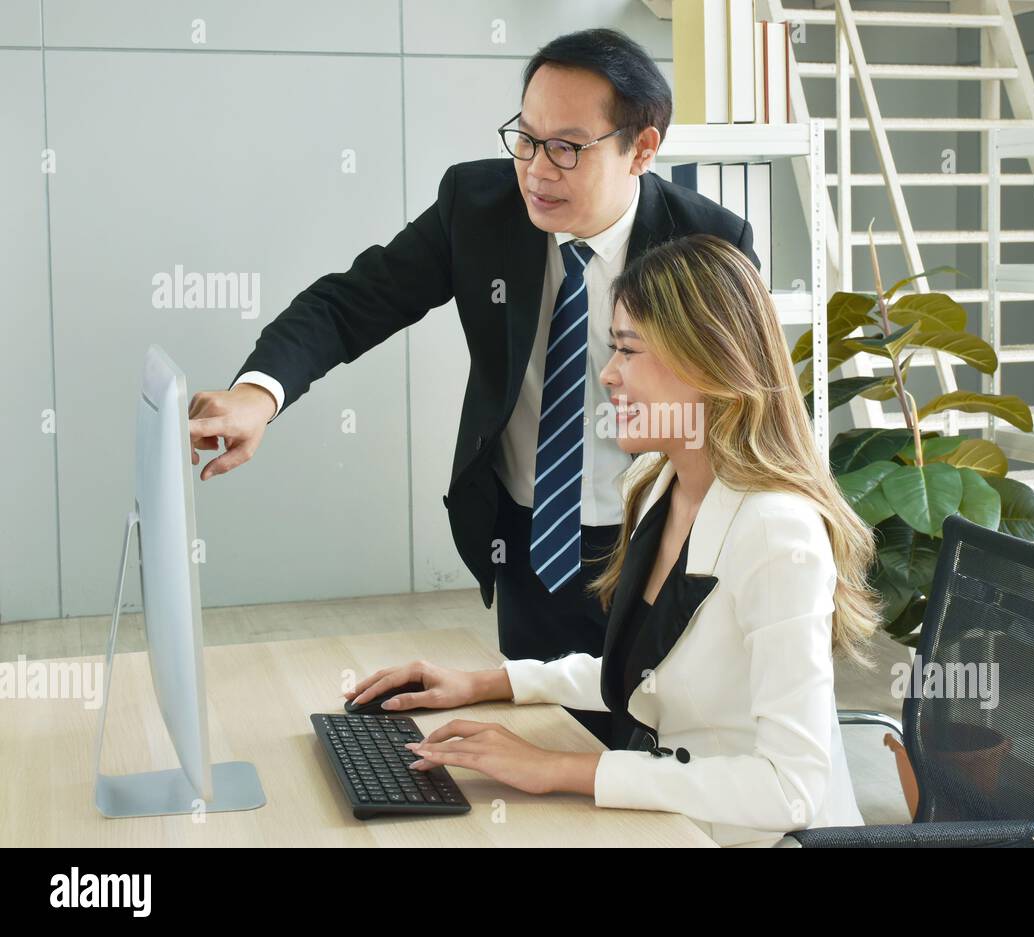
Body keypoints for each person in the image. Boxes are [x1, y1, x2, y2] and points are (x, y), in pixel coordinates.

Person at [185, 29, 758, 747]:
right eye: (526, 136)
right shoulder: (478, 206)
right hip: (527, 539)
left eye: (567, 148)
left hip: (657, 539)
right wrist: (256, 394)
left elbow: (741, 409)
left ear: (641, 149)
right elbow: (350, 303)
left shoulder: (707, 243)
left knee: (656, 743)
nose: (535, 170)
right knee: (542, 744)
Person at [346, 234, 878, 847]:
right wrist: (487, 683)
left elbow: (792, 788)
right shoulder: (661, 488)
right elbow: (651, 670)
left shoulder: (776, 531)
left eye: (627, 350)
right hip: (676, 820)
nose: (607, 375)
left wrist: (562, 769)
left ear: (706, 362)